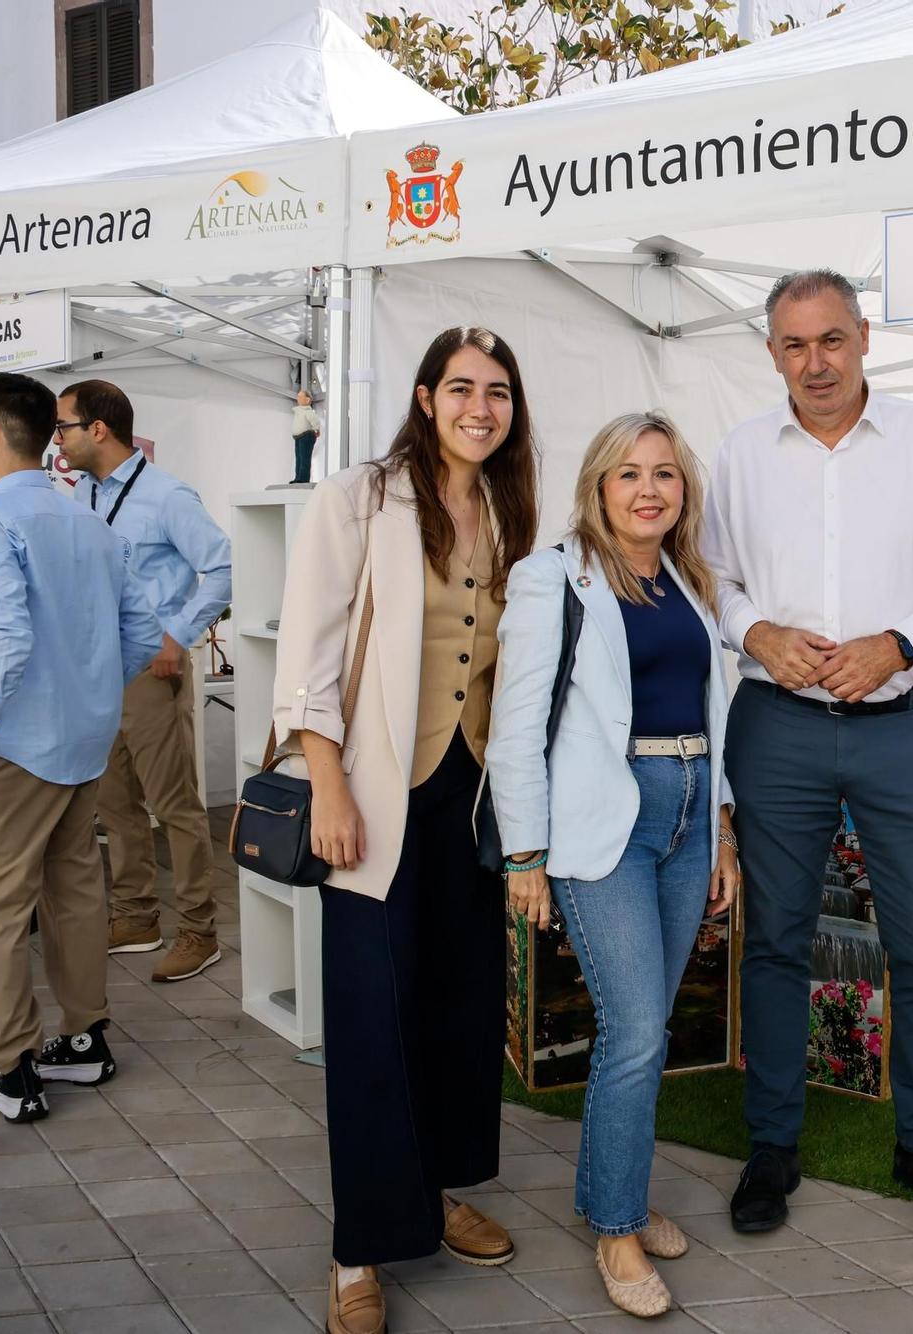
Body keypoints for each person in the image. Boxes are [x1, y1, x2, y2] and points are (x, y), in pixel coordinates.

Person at [704, 269, 913, 1235]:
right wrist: (755, 631)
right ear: (771, 355)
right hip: (778, 730)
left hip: (905, 730)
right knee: (777, 942)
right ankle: (771, 1147)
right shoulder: (741, 454)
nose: (815, 362)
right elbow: (708, 574)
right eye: (794, 346)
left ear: (865, 337)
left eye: (831, 340)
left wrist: (901, 643)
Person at [273, 327, 538, 1334]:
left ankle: (431, 1190)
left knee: (458, 1004)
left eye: (499, 392)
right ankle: (356, 1245)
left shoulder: (510, 506)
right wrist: (329, 785)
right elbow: (310, 650)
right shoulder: (355, 497)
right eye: (462, 388)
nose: (481, 407)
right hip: (376, 794)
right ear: (425, 398)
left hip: (469, 795)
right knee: (373, 1017)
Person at [488, 411, 742, 1317]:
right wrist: (525, 854)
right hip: (604, 825)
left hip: (685, 809)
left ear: (684, 490)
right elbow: (516, 725)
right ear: (598, 486)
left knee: (654, 1025)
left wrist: (722, 831)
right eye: (629, 474)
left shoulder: (688, 579)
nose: (648, 490)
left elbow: (712, 717)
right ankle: (616, 1229)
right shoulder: (551, 576)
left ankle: (617, 1194)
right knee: (634, 1028)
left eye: (665, 474)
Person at [0, 373, 163, 1123]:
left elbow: (3, 635)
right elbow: (140, 631)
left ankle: (14, 1069)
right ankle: (84, 1041)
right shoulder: (89, 522)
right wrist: (95, 689)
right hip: (83, 739)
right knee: (75, 891)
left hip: (18, 744)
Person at [57, 380, 234, 984]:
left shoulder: (166, 496)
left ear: (98, 429)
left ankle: (199, 930)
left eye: (65, 427)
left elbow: (223, 566)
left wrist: (177, 634)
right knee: (114, 804)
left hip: (150, 668)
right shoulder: (79, 493)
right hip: (95, 670)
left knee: (175, 806)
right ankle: (135, 917)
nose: (58, 438)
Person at [290, 388, 323, 484]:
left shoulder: (308, 411)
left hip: (306, 436)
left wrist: (316, 429)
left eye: (300, 396)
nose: (298, 398)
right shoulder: (299, 411)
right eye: (298, 396)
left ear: (307, 400)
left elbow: (315, 421)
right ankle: (298, 477)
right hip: (298, 437)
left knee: (304, 458)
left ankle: (303, 478)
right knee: (299, 458)